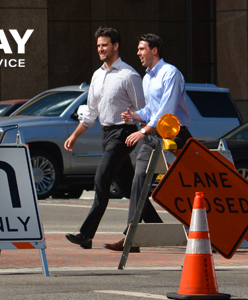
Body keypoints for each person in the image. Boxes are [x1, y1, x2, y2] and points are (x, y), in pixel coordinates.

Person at [103, 33, 193, 252]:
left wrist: (142, 131)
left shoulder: (170, 73)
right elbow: (151, 111)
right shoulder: (146, 78)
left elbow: (166, 111)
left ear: (154, 50)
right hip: (154, 136)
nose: (138, 53)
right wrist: (135, 115)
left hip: (174, 135)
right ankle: (130, 237)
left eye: (141, 49)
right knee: (138, 180)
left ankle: (203, 233)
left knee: (185, 187)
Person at [64, 27, 145, 250]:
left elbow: (144, 110)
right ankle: (149, 230)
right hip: (106, 133)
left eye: (105, 45)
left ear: (115, 46)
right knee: (131, 188)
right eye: (98, 45)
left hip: (124, 134)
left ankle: (86, 234)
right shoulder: (97, 75)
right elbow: (91, 114)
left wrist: (145, 133)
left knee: (101, 180)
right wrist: (74, 136)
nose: (100, 49)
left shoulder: (129, 75)